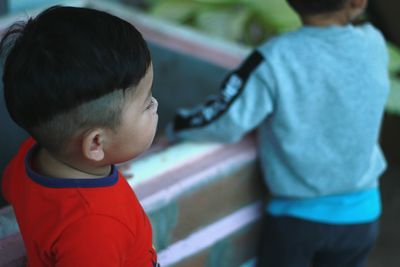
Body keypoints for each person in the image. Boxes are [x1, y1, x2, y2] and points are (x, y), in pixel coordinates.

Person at [166, 0, 390, 266]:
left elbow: (224, 122)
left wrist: (178, 125)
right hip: (362, 217)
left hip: (297, 221)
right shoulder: (374, 45)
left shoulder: (273, 58)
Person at [1, 6, 160, 267]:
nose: (155, 104)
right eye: (146, 104)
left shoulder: (31, 155)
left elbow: (11, 188)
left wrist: (111, 173)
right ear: (96, 143)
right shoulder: (96, 226)